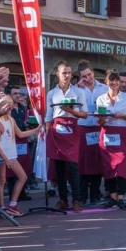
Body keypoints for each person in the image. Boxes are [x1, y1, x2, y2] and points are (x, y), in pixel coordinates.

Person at [45, 61, 88, 212]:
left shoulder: (79, 92)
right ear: (57, 74)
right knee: (59, 168)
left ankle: (77, 199)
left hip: (72, 129)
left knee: (73, 166)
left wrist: (71, 111)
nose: (67, 75)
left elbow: (84, 113)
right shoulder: (51, 93)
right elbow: (49, 117)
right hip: (57, 131)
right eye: (64, 72)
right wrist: (46, 135)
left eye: (69, 72)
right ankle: (63, 200)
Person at [0, 95, 40, 216]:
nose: (10, 107)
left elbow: (20, 134)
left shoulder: (11, 120)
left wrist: (35, 130)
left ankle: (12, 204)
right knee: (2, 180)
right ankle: (2, 208)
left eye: (10, 105)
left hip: (11, 154)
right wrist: (5, 159)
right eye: (7, 105)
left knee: (23, 177)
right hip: (1, 155)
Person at [97, 71, 126, 210]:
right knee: (108, 166)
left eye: (116, 81)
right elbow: (100, 121)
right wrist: (101, 118)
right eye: (111, 81)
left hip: (121, 132)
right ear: (106, 82)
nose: (114, 83)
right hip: (107, 132)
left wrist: (122, 115)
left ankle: (121, 197)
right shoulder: (100, 98)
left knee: (121, 165)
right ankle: (112, 197)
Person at [76, 60, 108, 206]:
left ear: (93, 73)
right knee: (82, 163)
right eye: (84, 76)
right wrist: (77, 87)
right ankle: (82, 195)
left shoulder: (104, 88)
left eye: (89, 74)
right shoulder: (76, 89)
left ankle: (95, 194)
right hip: (82, 128)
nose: (87, 78)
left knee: (97, 163)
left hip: (98, 128)